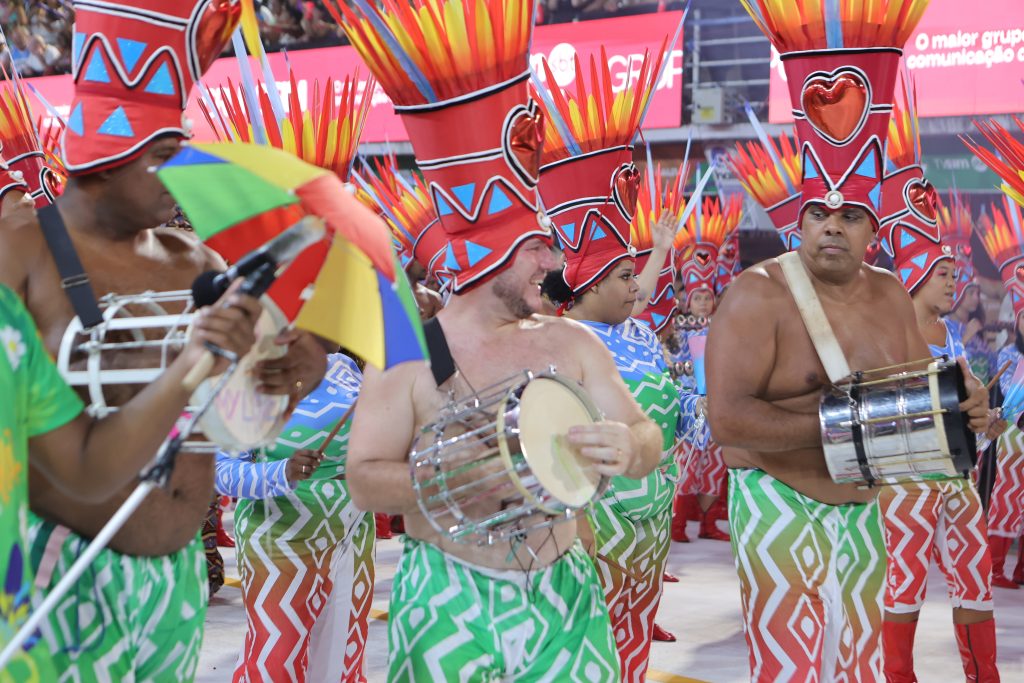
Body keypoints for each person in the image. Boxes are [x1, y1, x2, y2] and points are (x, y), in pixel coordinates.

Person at [332, 0, 663, 678]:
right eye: (539, 249)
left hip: (566, 598)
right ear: (489, 255)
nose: (554, 263)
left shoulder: (573, 343)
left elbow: (645, 433)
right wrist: (458, 481)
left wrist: (631, 447)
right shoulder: (409, 354)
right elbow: (363, 479)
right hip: (447, 601)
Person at [0, 3, 325, 679]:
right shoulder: (21, 253)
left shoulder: (198, 260)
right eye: (164, 157)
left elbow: (236, 420)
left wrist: (285, 376)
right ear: (104, 160)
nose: (183, 176)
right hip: (55, 580)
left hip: (177, 591)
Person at [711, 3, 984, 679]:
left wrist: (967, 402)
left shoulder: (891, 293)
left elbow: (920, 393)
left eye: (850, 214)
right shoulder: (757, 293)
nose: (832, 224)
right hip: (778, 504)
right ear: (800, 220)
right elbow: (727, 420)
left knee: (860, 666)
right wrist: (850, 425)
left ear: (872, 229)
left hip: (867, 513)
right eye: (819, 212)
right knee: (790, 670)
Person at [0, 271, 260, 682]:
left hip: (175, 576)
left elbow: (88, 463)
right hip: (63, 571)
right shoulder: (20, 265)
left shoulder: (8, 320)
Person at [535, 50, 692, 680]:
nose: (636, 288)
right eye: (625, 276)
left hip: (651, 515)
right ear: (590, 281)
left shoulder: (641, 336)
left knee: (632, 644)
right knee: (584, 646)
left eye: (635, 275)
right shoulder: (558, 341)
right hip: (593, 523)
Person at [876, 106, 1002, 677]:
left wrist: (985, 415)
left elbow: (971, 395)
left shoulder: (950, 334)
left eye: (954, 274)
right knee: (902, 583)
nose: (955, 282)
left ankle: (987, 675)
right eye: (945, 274)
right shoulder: (883, 336)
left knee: (975, 578)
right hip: (904, 482)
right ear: (916, 278)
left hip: (956, 477)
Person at [671, 194, 743, 544]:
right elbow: (676, 363)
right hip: (689, 400)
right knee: (686, 465)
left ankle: (709, 524)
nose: (703, 302)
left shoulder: (722, 325)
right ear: (687, 300)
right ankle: (678, 525)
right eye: (697, 297)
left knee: (713, 467)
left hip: (715, 401)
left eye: (707, 297)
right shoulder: (680, 328)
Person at [977, 197, 1024, 593]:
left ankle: (1022, 569)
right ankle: (993, 568)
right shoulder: (1008, 355)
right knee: (1006, 500)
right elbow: (1003, 398)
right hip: (1012, 435)